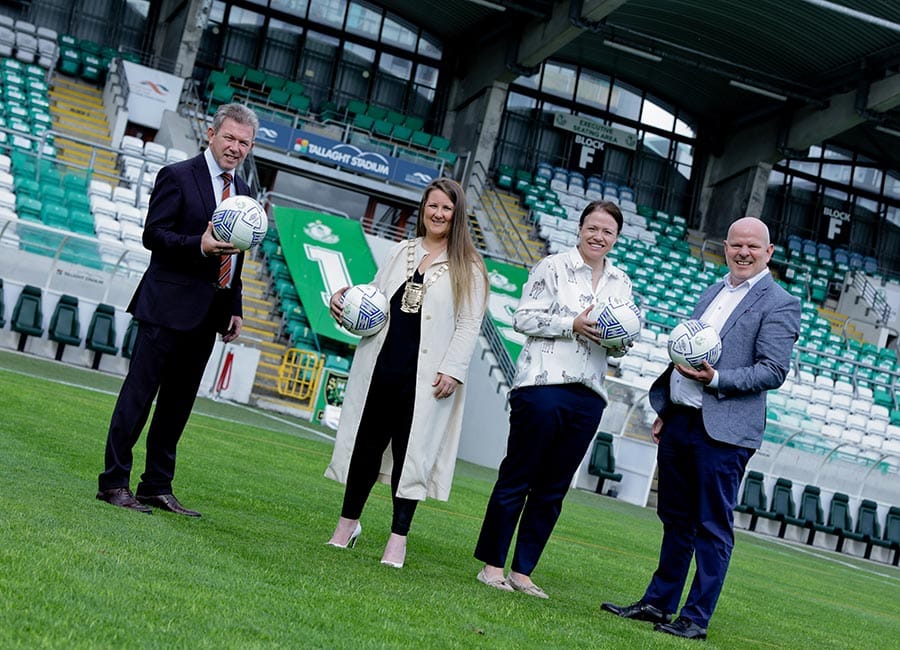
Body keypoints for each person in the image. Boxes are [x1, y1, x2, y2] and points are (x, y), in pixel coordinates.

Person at [601, 216, 801, 640]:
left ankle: (695, 617)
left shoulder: (778, 302)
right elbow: (685, 352)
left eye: (752, 246)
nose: (743, 252)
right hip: (682, 421)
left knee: (712, 525)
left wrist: (716, 380)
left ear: (769, 253)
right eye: (735, 245)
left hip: (725, 431)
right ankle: (658, 603)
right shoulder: (712, 292)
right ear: (725, 247)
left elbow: (772, 370)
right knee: (675, 518)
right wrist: (668, 408)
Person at [96, 103, 259, 517]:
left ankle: (155, 486)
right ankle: (114, 483)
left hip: (208, 316)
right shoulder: (178, 175)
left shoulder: (244, 194)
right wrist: (198, 245)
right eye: (229, 138)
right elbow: (154, 235)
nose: (235, 148)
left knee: (177, 407)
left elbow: (238, 255)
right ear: (211, 134)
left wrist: (234, 303)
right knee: (138, 397)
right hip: (165, 308)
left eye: (244, 142)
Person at [324, 177, 488, 568]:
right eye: (433, 205)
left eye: (446, 208)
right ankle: (347, 526)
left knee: (410, 458)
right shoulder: (403, 250)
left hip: (428, 379)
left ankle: (397, 541)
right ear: (423, 208)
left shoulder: (470, 266)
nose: (438, 213)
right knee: (364, 449)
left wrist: (453, 370)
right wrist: (343, 299)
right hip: (382, 366)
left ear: (457, 214)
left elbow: (469, 324)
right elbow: (376, 296)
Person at [474, 200, 632, 599]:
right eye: (592, 228)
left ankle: (523, 572)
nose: (599, 236)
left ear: (616, 238)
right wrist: (572, 324)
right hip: (542, 386)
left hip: (590, 394)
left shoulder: (621, 282)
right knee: (519, 475)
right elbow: (522, 317)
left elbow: (621, 346)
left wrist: (619, 340)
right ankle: (492, 566)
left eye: (607, 231)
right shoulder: (552, 266)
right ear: (580, 229)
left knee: (553, 487)